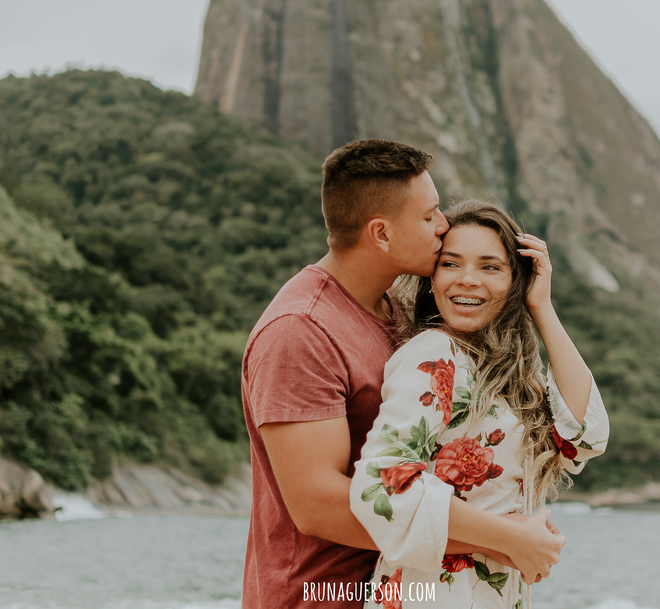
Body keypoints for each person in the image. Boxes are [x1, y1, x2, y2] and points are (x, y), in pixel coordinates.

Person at [241, 141, 551, 609]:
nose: (443, 226)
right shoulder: (299, 331)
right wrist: (497, 538)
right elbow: (317, 505)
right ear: (381, 233)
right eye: (429, 216)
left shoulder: (403, 314)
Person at [350, 200, 609, 608]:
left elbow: (584, 438)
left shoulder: (510, 375)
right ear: (431, 280)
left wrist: (541, 306)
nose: (467, 280)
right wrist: (512, 538)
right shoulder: (435, 356)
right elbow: (381, 482)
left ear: (514, 282)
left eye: (490, 267)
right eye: (451, 264)